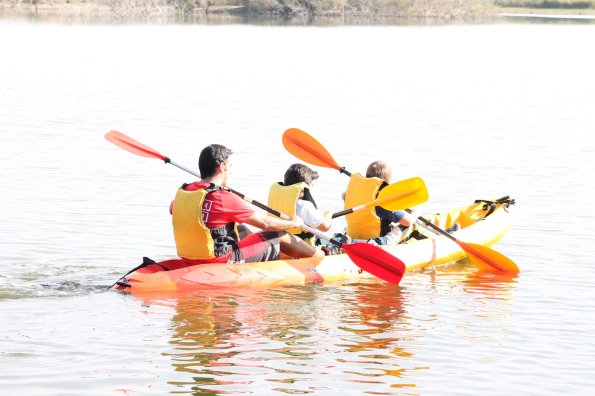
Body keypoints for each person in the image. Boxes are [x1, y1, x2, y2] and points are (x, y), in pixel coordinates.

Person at [170, 144, 322, 264]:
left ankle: (281, 255)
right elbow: (265, 223)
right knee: (279, 235)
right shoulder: (223, 197)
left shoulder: (184, 193)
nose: (230, 172)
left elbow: (174, 210)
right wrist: (291, 222)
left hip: (192, 256)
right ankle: (319, 257)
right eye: (230, 167)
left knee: (240, 228)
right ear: (222, 167)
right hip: (222, 260)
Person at [342, 160, 418, 245]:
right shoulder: (385, 203)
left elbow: (343, 195)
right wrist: (415, 213)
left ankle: (346, 241)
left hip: (352, 236)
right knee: (406, 226)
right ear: (386, 184)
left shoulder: (350, 195)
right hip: (374, 242)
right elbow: (407, 222)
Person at [268, 163, 332, 245]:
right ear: (304, 188)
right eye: (312, 185)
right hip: (299, 247)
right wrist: (329, 214)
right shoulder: (304, 205)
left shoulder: (279, 199)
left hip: (278, 244)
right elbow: (325, 227)